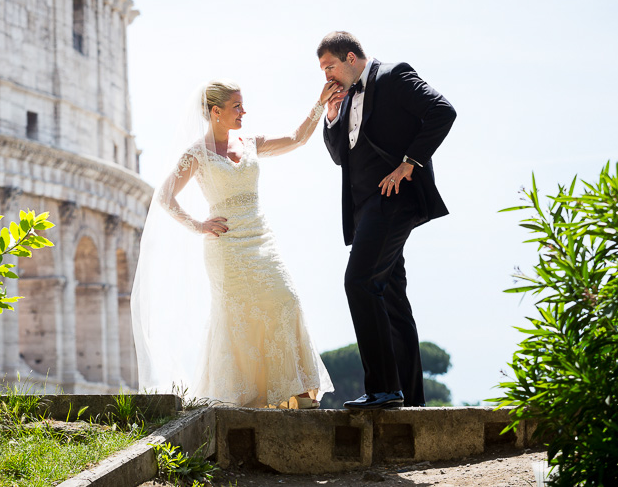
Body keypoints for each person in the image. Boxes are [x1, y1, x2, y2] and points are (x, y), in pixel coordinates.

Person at [131, 80, 336, 408]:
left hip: (260, 237)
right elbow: (164, 196)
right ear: (216, 112)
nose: (244, 112)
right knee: (237, 315)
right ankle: (242, 396)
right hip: (226, 247)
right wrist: (198, 225)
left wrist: (319, 104)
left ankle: (295, 392)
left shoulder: (251, 142)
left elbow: (297, 138)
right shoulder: (196, 154)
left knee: (287, 300)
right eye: (236, 107)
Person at [318, 31, 456, 409]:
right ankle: (410, 399)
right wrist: (331, 116)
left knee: (359, 282)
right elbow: (338, 156)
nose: (326, 76)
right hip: (364, 210)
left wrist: (409, 163)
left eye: (329, 66)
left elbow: (442, 111)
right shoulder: (343, 101)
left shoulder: (394, 75)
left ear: (349, 57)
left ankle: (383, 389)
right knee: (391, 297)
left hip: (393, 200)